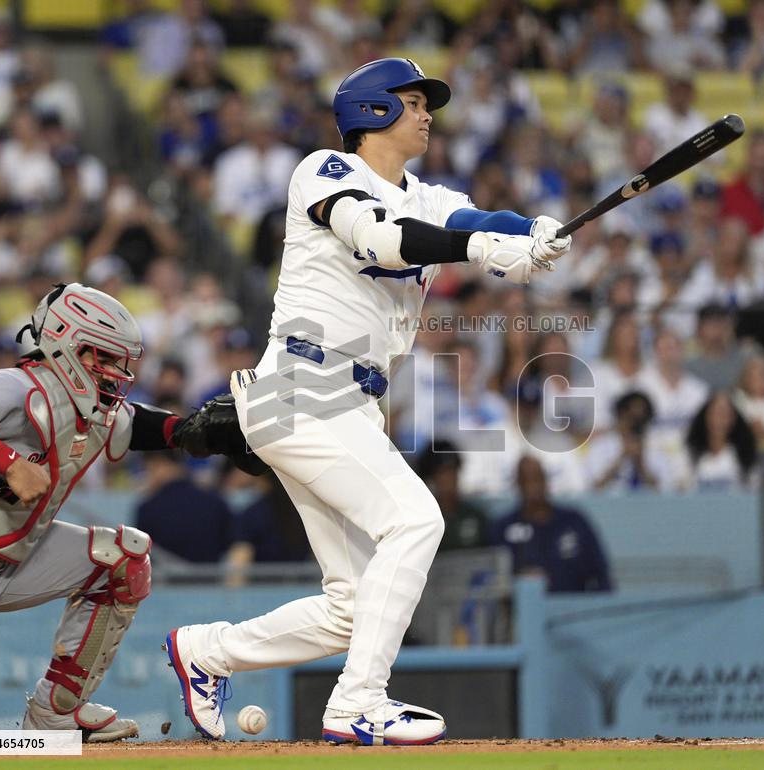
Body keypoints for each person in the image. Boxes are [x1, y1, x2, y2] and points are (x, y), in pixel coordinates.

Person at [164, 57, 572, 745]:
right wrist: (483, 249)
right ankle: (358, 702)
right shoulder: (326, 170)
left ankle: (208, 652)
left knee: (353, 609)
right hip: (301, 383)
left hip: (347, 402)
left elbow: (473, 216)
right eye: (413, 101)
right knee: (416, 520)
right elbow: (383, 242)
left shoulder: (427, 194)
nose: (427, 114)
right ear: (373, 110)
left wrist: (531, 231)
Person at [0, 284, 227, 740]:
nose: (115, 373)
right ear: (68, 346)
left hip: (11, 560)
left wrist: (195, 431)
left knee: (123, 557)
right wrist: (9, 463)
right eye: (104, 359)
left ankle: (54, 714)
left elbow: (137, 423)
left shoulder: (90, 406)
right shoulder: (18, 384)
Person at [491, 456, 612, 593]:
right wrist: (519, 579)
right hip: (525, 609)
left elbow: (600, 572)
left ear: (546, 481)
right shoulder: (504, 528)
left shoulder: (573, 521)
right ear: (517, 485)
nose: (533, 486)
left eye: (537, 478)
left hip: (573, 606)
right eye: (526, 481)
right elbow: (494, 579)